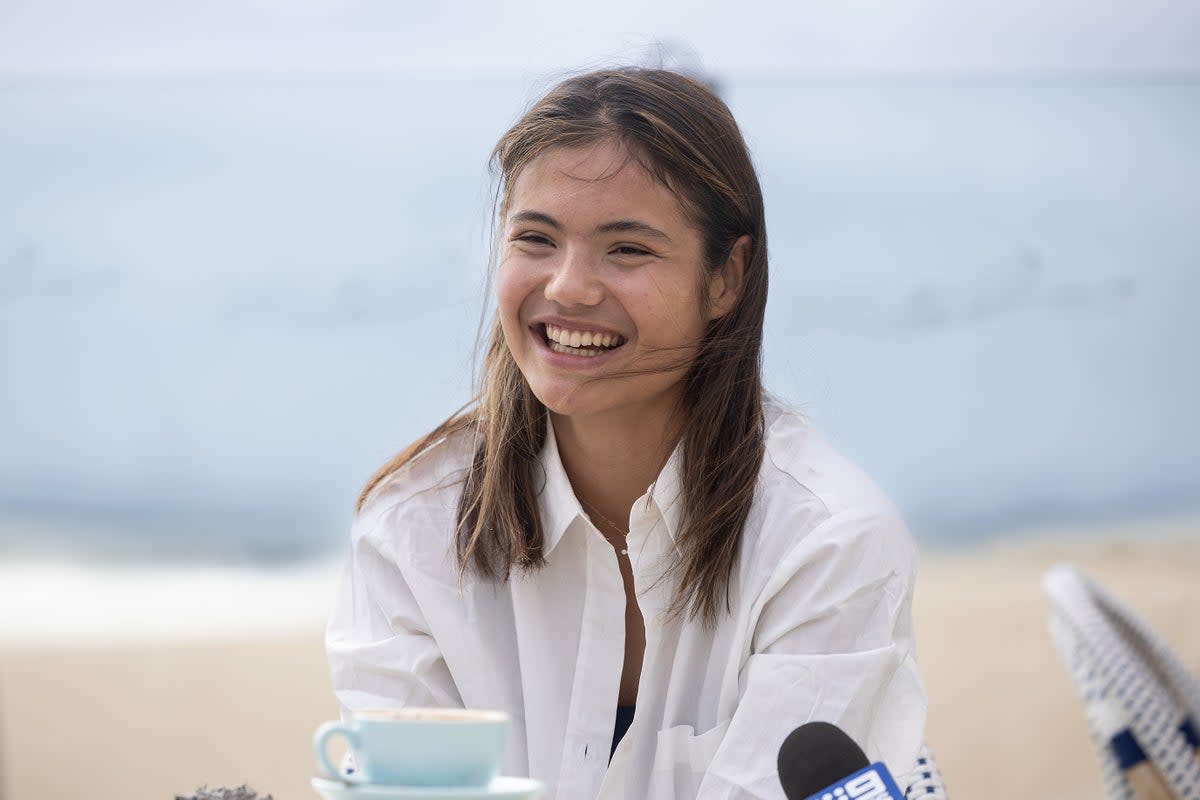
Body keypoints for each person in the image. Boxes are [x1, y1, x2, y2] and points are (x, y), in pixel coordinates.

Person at [326, 67, 927, 799]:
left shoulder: (826, 543)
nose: (570, 287)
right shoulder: (410, 527)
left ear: (725, 279)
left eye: (628, 249)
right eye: (536, 239)